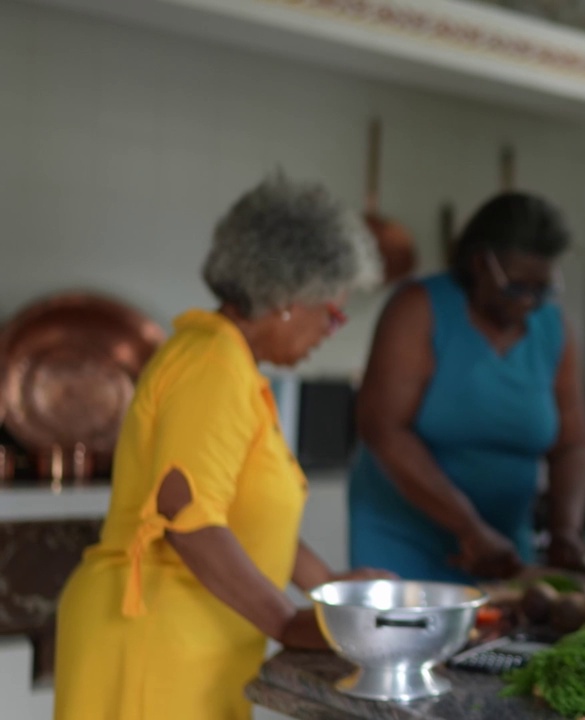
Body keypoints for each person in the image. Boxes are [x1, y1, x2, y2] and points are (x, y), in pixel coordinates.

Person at [54, 173, 396, 720]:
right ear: (288, 297)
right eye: (332, 313)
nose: (333, 329)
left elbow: (242, 515)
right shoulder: (212, 365)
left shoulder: (233, 366)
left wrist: (328, 587)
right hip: (154, 639)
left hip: (198, 640)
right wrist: (286, 620)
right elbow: (187, 517)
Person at [349, 191, 585, 583]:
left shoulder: (553, 327)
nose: (530, 302)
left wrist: (566, 531)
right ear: (480, 263)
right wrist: (468, 528)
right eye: (517, 287)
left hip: (503, 543)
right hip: (405, 538)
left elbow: (571, 442)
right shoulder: (418, 307)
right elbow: (382, 428)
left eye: (542, 288)